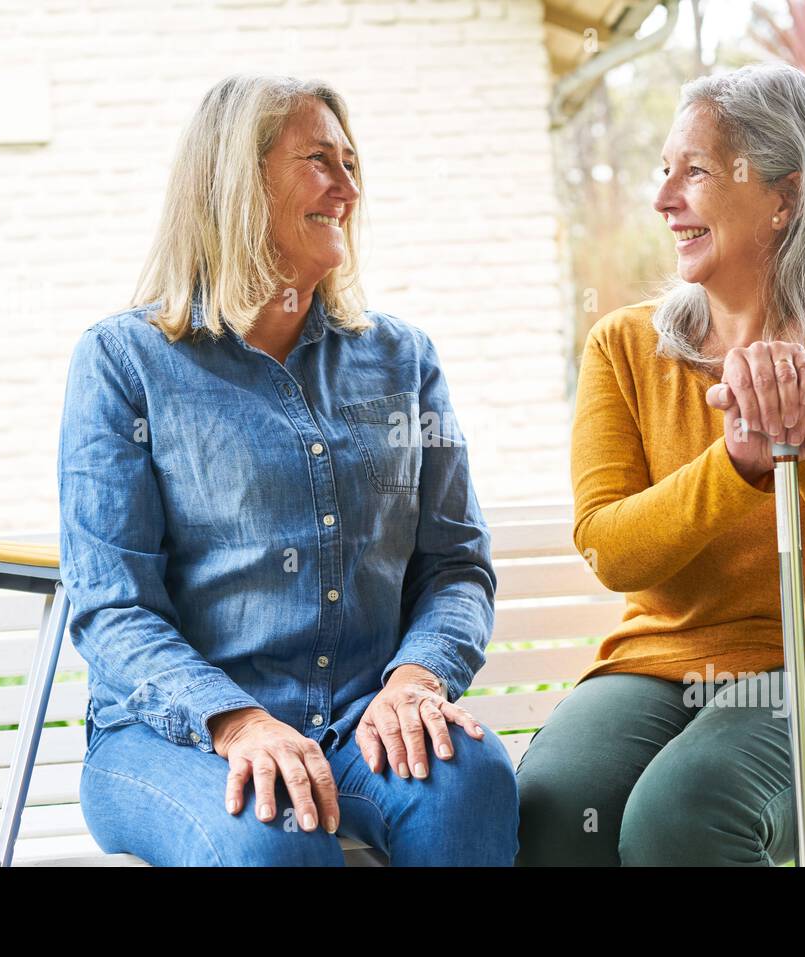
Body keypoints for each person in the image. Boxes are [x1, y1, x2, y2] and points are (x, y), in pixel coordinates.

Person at [58, 74, 518, 866]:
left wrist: (415, 677)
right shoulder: (123, 362)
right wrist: (237, 721)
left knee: (471, 778)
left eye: (351, 162)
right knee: (273, 836)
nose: (349, 188)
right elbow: (113, 606)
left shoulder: (402, 359)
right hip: (174, 736)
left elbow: (456, 567)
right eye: (319, 161)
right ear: (239, 183)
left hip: (357, 722)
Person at [515, 63, 805, 866]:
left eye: (697, 172)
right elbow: (611, 549)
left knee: (688, 811)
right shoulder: (624, 346)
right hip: (664, 662)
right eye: (664, 171)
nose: (663, 198)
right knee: (552, 808)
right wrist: (737, 463)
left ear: (785, 197)